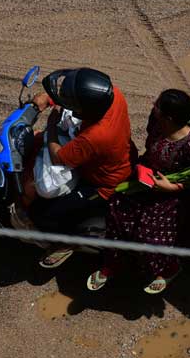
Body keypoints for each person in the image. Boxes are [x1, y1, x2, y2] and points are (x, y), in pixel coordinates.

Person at [86, 89, 190, 295]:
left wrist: (170, 187)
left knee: (148, 231)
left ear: (169, 118)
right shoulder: (156, 122)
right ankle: (113, 262)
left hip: (173, 193)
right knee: (115, 207)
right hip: (146, 177)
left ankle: (169, 267)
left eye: (157, 106)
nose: (153, 107)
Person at [13, 67, 134, 270]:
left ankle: (66, 242)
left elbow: (58, 156)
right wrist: (52, 99)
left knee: (43, 215)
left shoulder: (97, 135)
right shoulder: (113, 94)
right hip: (118, 155)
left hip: (102, 185)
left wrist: (51, 125)